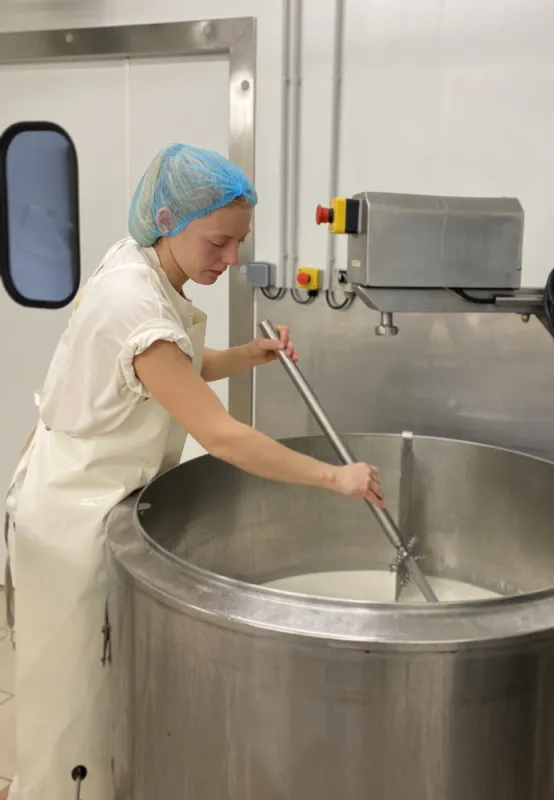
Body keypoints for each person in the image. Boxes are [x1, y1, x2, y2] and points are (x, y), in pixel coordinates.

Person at [2, 143, 383, 800]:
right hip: (69, 526)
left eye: (239, 242)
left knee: (87, 689)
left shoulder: (143, 266)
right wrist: (334, 478)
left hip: (85, 498)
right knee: (67, 703)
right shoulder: (133, 305)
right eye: (218, 242)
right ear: (168, 218)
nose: (231, 259)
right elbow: (221, 434)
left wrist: (248, 355)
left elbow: (178, 368)